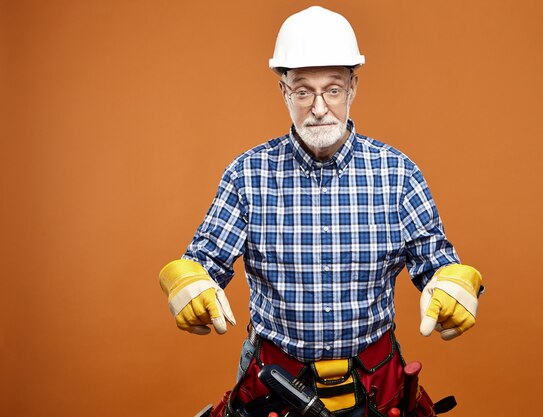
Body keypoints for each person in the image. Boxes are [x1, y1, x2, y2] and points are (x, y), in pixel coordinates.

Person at [159, 6, 483, 417]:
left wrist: (454, 281)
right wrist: (188, 280)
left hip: (375, 387)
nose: (318, 108)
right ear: (284, 92)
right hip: (274, 388)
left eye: (332, 89)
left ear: (352, 87)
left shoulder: (398, 173)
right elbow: (203, 264)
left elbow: (436, 262)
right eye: (302, 91)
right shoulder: (247, 174)